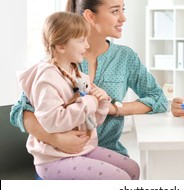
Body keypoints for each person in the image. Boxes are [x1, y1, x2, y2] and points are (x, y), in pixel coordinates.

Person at [10, 0, 168, 177]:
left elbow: (158, 98)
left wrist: (115, 108)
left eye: (123, 10)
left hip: (105, 152)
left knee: (133, 171)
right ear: (90, 16)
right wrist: (57, 139)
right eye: (115, 11)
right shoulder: (60, 61)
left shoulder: (125, 58)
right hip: (59, 156)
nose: (123, 18)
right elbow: (20, 112)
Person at [18, 11, 136, 179]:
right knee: (121, 178)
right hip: (53, 158)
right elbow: (53, 122)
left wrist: (101, 101)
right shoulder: (46, 78)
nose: (87, 46)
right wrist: (89, 102)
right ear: (61, 46)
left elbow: (91, 121)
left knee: (133, 169)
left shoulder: (77, 74)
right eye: (81, 41)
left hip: (82, 149)